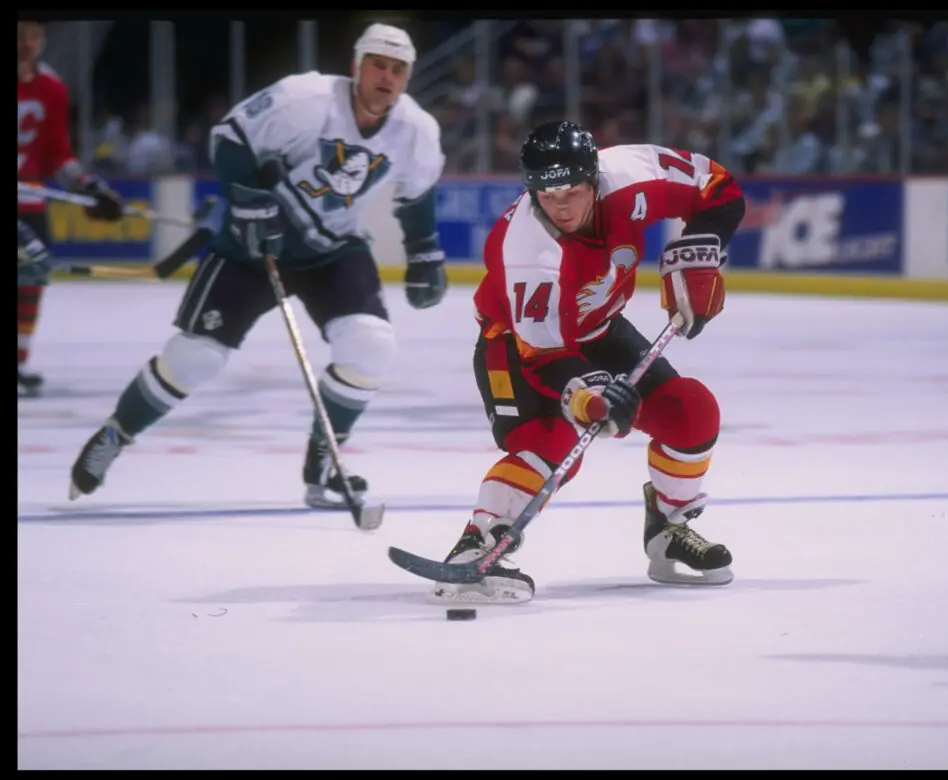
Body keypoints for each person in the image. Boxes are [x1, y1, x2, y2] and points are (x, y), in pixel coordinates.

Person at [68, 23, 448, 509]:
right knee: (196, 358)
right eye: (377, 63)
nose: (386, 76)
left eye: (398, 69)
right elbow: (231, 136)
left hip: (333, 249)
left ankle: (323, 464)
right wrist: (248, 199)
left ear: (408, 77)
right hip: (251, 249)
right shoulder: (304, 98)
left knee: (370, 344)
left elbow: (416, 194)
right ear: (357, 66)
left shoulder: (416, 130)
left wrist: (424, 251)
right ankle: (115, 434)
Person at [431, 120, 746, 605]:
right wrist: (590, 400)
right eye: (545, 195)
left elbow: (718, 187)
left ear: (593, 178)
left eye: (571, 192)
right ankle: (478, 542)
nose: (559, 207)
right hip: (516, 345)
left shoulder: (632, 175)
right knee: (553, 442)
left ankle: (668, 528)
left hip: (600, 330)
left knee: (691, 411)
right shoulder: (527, 248)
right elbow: (543, 353)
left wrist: (698, 252)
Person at [18, 19, 124, 398]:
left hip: (29, 202)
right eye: (21, 34)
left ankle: (19, 362)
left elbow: (58, 155)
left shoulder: (51, 89)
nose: (28, 43)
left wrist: (91, 186)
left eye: (35, 35)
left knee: (30, 281)